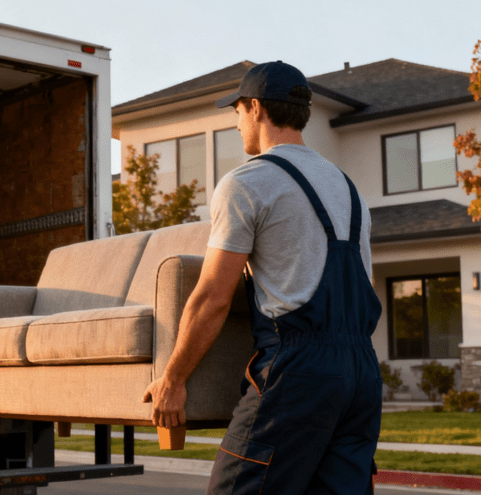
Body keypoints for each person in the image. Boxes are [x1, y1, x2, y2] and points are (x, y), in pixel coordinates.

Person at [141, 61, 382, 493]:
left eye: (236, 112)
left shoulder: (248, 183)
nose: (236, 124)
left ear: (255, 108)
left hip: (298, 372)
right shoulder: (348, 188)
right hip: (361, 374)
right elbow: (364, 284)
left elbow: (213, 297)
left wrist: (172, 379)